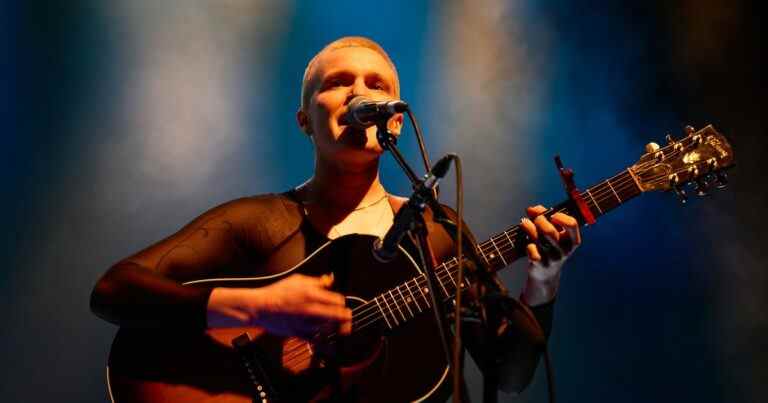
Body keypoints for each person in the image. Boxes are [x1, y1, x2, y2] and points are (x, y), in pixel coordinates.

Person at [91, 36, 581, 402]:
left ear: (394, 119)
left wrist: (543, 279)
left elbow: (510, 377)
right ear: (304, 120)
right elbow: (114, 290)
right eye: (338, 83)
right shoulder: (259, 221)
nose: (358, 93)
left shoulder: (437, 233)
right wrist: (255, 307)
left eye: (376, 86)